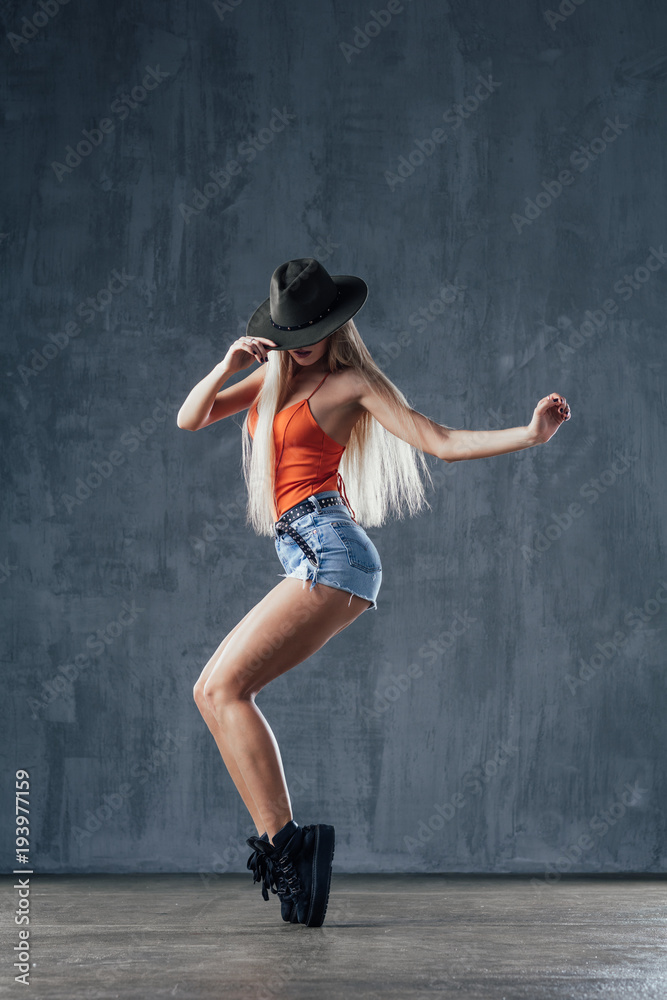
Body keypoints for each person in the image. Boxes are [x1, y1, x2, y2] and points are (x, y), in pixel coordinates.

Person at [176, 258, 572, 927]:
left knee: (222, 690)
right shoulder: (271, 379)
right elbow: (192, 418)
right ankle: (288, 847)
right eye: (293, 330)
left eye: (315, 329)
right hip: (306, 550)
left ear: (337, 325)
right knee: (211, 692)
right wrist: (225, 365)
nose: (303, 342)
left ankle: (291, 847)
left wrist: (529, 435)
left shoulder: (348, 383)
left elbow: (438, 442)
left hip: (328, 550)